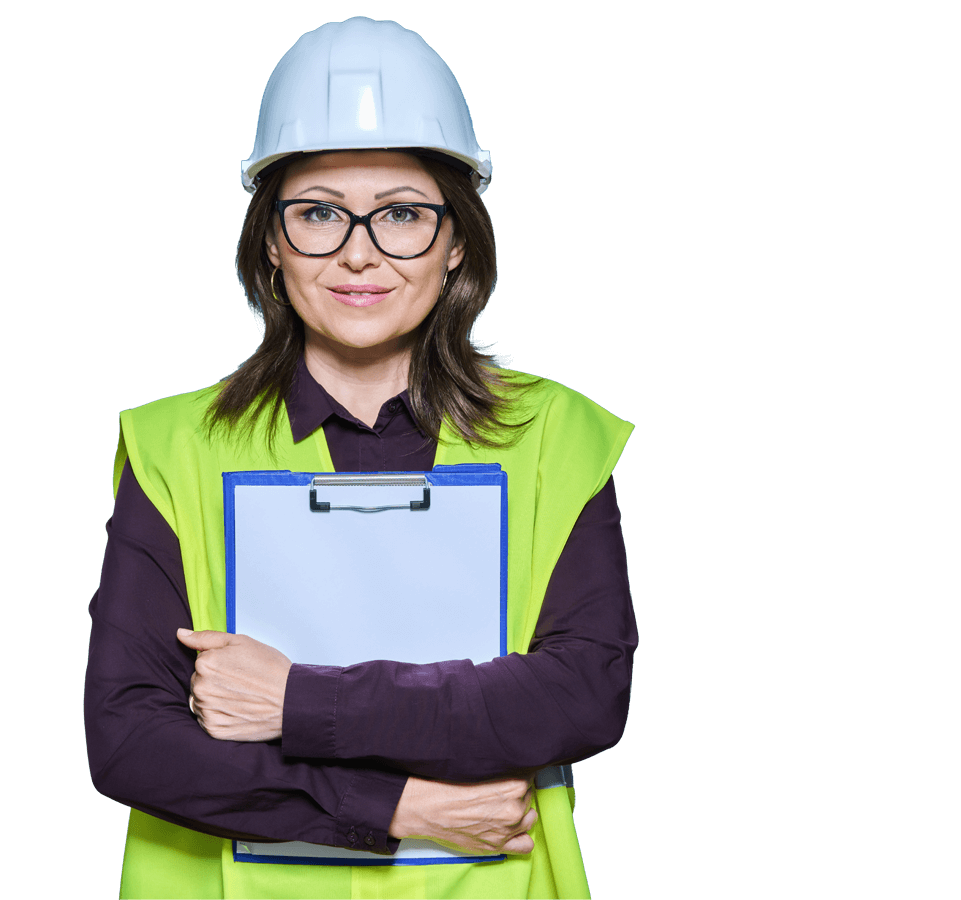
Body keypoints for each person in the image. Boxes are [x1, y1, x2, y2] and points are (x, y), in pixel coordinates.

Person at [84, 16, 637, 900]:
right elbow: (130, 743)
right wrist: (393, 807)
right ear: (271, 239)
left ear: (458, 241)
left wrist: (297, 703)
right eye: (318, 213)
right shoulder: (172, 445)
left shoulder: (556, 436)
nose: (358, 252)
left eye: (403, 214)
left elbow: (580, 697)